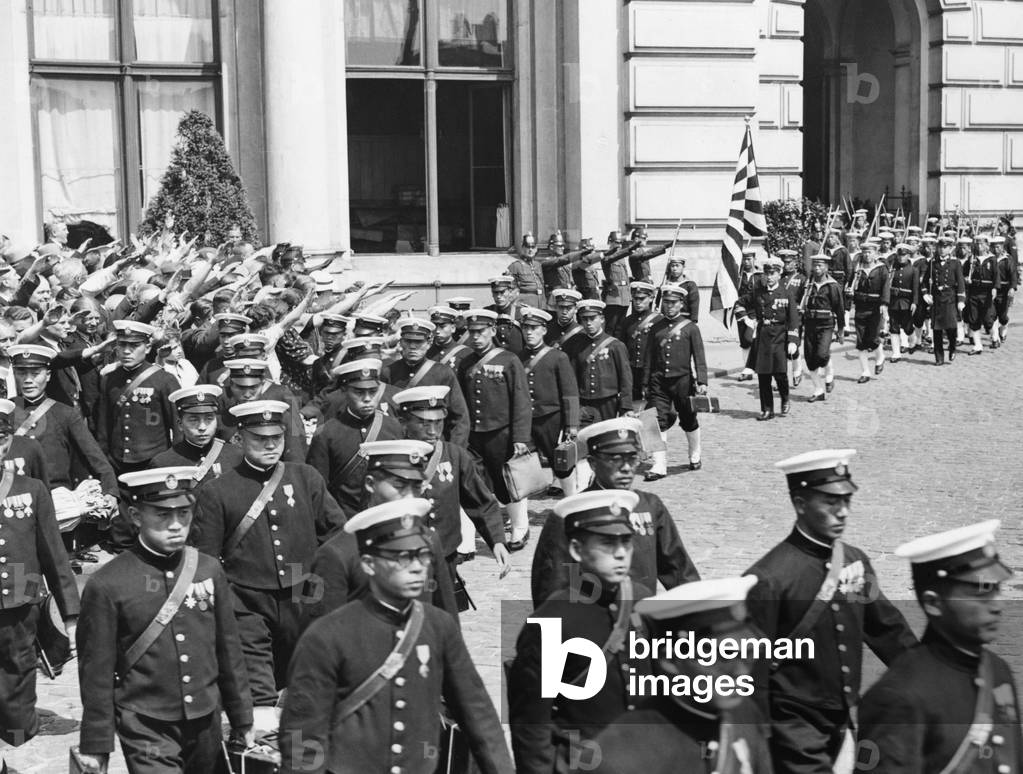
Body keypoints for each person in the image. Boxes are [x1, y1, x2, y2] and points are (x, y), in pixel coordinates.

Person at [279, 498, 514, 774]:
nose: (417, 567)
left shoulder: (438, 626)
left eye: (422, 555)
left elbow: (477, 711)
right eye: (403, 557)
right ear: (369, 564)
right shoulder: (327, 637)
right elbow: (302, 734)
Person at [745, 449, 916, 774]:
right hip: (792, 729)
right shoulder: (770, 579)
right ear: (800, 504)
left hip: (842, 722)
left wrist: (930, 678)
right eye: (830, 502)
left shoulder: (854, 560)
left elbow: (887, 629)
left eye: (846, 501)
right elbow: (751, 673)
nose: (843, 512)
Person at [75, 467, 253, 774]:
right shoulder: (108, 583)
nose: (175, 525)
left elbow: (229, 650)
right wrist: (96, 743)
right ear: (135, 516)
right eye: (162, 515)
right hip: (145, 723)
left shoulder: (208, 569)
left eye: (183, 514)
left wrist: (242, 717)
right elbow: (96, 672)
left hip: (205, 717)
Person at [191, 399, 346, 707]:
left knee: (305, 678)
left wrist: (326, 580)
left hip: (303, 592)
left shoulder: (305, 478)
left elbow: (337, 533)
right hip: (246, 597)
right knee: (258, 685)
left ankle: (298, 732)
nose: (271, 445)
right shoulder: (217, 491)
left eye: (276, 437)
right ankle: (261, 724)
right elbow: (206, 557)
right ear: (239, 439)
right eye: (260, 438)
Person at [859, 520, 1023, 773]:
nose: (998, 605)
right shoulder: (899, 697)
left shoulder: (997, 670)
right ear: (933, 603)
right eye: (980, 593)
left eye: (996, 589)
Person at [509, 489, 649, 774]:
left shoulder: (645, 602)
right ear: (576, 550)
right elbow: (531, 725)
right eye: (607, 543)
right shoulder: (553, 620)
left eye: (626, 541)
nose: (621, 553)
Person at [588, 576, 774, 774]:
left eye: (748, 654)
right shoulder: (619, 757)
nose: (741, 672)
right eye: (722, 658)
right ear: (670, 659)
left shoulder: (743, 713)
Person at [530, 417, 700, 607]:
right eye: (616, 459)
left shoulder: (649, 506)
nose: (626, 468)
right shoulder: (572, 512)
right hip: (587, 620)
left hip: (638, 619)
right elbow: (549, 586)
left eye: (632, 459)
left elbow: (678, 570)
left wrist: (701, 614)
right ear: (593, 463)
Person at [0, 401, 79, 774]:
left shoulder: (31, 490)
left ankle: (14, 740)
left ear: (7, 442)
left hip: (21, 602)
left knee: (17, 695)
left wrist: (71, 615)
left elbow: (55, 556)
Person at [94, 320, 180, 549]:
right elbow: (103, 424)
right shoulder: (109, 379)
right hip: (118, 459)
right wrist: (104, 459)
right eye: (122, 345)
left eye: (133, 346)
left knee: (153, 512)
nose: (126, 351)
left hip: (152, 460)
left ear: (148, 347)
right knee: (122, 519)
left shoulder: (165, 380)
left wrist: (174, 462)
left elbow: (178, 425)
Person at [456, 309, 533, 550]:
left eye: (481, 332)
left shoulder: (509, 360)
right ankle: (468, 541)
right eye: (472, 332)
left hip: (502, 433)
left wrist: (520, 437)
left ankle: (519, 528)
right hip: (473, 435)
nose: (476, 337)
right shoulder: (466, 362)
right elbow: (461, 403)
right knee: (471, 485)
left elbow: (521, 401)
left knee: (508, 483)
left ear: (492, 331)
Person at [306, 358, 403, 517]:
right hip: (345, 520)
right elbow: (319, 488)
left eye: (373, 391)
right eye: (359, 392)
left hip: (386, 518)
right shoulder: (326, 434)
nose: (367, 398)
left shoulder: (393, 427)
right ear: (344, 391)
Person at [644, 282, 708, 477]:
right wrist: (645, 383)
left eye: (673, 302)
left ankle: (695, 454)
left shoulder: (690, 328)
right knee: (654, 421)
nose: (669, 306)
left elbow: (699, 356)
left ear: (681, 304)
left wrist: (702, 381)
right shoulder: (655, 328)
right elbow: (648, 357)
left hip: (683, 381)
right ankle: (659, 465)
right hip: (659, 381)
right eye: (666, 302)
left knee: (688, 419)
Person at [517, 308, 580, 496]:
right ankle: (523, 509)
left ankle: (571, 499)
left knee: (559, 461)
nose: (529, 332)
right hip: (526, 419)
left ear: (544, 330)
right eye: (525, 328)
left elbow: (570, 393)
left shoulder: (557, 357)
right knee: (523, 462)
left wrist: (571, 424)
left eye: (534, 328)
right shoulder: (517, 357)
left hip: (550, 417)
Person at [733, 256, 799, 421]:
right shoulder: (758, 292)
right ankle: (767, 409)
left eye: (773, 273)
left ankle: (785, 398)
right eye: (767, 273)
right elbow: (739, 303)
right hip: (762, 336)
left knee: (780, 373)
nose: (769, 277)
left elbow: (793, 318)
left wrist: (793, 340)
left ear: (779, 274)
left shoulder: (786, 293)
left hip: (780, 336)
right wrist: (745, 319)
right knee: (763, 376)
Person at [386, 316, 469, 446]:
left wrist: (453, 451)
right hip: (399, 444)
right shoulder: (388, 372)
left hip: (433, 442)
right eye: (408, 341)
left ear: (429, 343)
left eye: (419, 342)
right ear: (401, 342)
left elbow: (460, 418)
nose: (413, 346)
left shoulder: (442, 373)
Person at [151, 385, 244, 482]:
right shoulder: (163, 464)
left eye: (209, 419)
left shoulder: (236, 456)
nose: (202, 427)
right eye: (194, 420)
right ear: (180, 424)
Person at [567, 300, 632, 428]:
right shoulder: (576, 344)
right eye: (585, 319)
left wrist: (626, 406)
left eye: (592, 318)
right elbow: (572, 377)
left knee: (606, 434)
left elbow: (626, 378)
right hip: (584, 401)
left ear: (602, 319)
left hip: (607, 401)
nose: (588, 323)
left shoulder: (615, 345)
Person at [800, 255, 845, 401]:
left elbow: (839, 309)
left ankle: (829, 374)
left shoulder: (832, 286)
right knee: (810, 358)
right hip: (810, 323)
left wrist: (840, 329)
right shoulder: (808, 284)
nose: (817, 269)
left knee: (822, 354)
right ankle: (818, 390)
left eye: (820, 266)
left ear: (826, 268)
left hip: (826, 324)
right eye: (815, 265)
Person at [922, 235, 966, 366]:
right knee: (937, 329)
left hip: (950, 298)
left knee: (951, 327)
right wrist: (925, 294)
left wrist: (961, 299)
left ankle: (952, 347)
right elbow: (924, 282)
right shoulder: (932, 263)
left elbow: (960, 282)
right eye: (940, 247)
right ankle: (939, 357)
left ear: (950, 248)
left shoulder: (955, 263)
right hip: (936, 298)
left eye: (945, 247)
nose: (942, 250)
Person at [850, 241, 890, 382]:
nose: (867, 255)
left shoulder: (881, 269)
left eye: (870, 252)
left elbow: (886, 287)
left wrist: (884, 303)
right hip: (861, 306)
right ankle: (865, 372)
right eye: (865, 252)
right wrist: (850, 292)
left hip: (875, 307)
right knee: (861, 341)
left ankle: (880, 357)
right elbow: (851, 285)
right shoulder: (858, 269)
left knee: (873, 338)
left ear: (875, 253)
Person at [621, 281, 662, 411]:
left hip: (652, 370)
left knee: (654, 406)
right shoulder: (627, 321)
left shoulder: (659, 321)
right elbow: (622, 347)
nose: (638, 302)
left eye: (642, 299)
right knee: (633, 406)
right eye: (635, 299)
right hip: (632, 370)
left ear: (651, 298)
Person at [964, 233, 1000, 355]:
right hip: (974, 292)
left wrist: (995, 288)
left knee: (988, 319)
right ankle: (978, 346)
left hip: (987, 292)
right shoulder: (972, 259)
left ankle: (995, 337)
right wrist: (966, 279)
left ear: (987, 245)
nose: (979, 246)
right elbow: (964, 273)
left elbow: (996, 275)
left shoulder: (992, 259)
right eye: (977, 244)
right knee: (973, 318)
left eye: (982, 244)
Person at [886, 244, 920, 363]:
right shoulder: (892, 269)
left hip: (906, 302)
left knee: (907, 327)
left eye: (904, 255)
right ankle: (896, 353)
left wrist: (915, 302)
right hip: (893, 301)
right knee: (894, 328)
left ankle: (913, 340)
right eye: (899, 255)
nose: (901, 258)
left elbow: (915, 288)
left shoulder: (913, 270)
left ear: (908, 256)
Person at [485, 275, 527, 356]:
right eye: (495, 293)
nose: (499, 296)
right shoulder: (488, 312)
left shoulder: (521, 313)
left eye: (502, 292)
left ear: (509, 292)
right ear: (492, 294)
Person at [735, 249, 760, 382]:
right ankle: (747, 370)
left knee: (751, 339)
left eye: (749, 259)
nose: (746, 262)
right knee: (744, 342)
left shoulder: (760, 276)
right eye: (744, 259)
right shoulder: (738, 276)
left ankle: (755, 367)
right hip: (741, 310)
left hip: (755, 311)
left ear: (754, 259)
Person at [991, 235, 1018, 347]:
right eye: (994, 247)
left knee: (1002, 316)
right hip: (992, 290)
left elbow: (1013, 275)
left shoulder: (1008, 259)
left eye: (998, 247)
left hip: (1004, 290)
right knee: (992, 315)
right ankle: (995, 338)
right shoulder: (990, 259)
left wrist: (1012, 288)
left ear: (1002, 247)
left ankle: (1004, 327)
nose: (995, 249)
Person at [505, 232, 546, 308]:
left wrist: (543, 305)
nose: (530, 250)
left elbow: (542, 287)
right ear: (523, 248)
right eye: (528, 247)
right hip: (524, 305)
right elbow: (510, 290)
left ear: (536, 249)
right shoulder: (515, 266)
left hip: (539, 303)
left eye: (533, 247)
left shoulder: (538, 265)